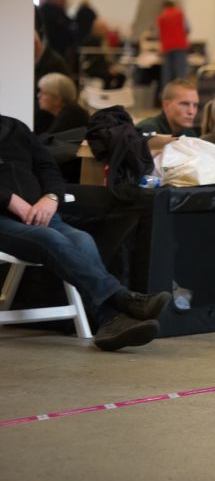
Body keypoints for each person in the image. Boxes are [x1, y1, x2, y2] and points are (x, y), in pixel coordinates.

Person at [0, 114, 172, 351]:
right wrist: (9, 200)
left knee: (82, 239)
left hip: (41, 214)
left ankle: (109, 320)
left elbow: (47, 166)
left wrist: (51, 197)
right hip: (4, 220)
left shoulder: (14, 127)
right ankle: (122, 299)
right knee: (50, 238)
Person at [38, 0, 76, 73]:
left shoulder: (58, 9)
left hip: (61, 47)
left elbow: (68, 23)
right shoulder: (43, 10)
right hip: (50, 47)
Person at [155, 0, 191, 86]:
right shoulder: (180, 14)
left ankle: (167, 93)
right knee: (180, 72)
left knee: (167, 72)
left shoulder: (161, 17)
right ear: (173, 6)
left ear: (164, 7)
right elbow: (187, 28)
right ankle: (181, 92)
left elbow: (158, 34)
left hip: (167, 47)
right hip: (180, 45)